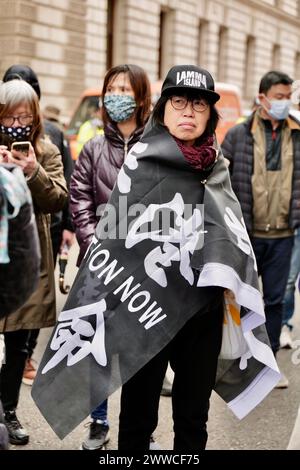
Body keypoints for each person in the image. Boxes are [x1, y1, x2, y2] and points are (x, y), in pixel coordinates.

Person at [70, 64, 153, 450]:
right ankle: (99, 421)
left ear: (141, 97)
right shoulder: (92, 148)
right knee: (98, 345)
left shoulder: (156, 145)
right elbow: (80, 200)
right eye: (112, 88)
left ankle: (141, 428)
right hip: (101, 265)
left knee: (142, 351)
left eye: (125, 88)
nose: (117, 95)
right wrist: (93, 245)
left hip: (145, 268)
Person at [222, 70, 300, 388]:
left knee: (275, 301)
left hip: (283, 233)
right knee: (243, 298)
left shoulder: (297, 135)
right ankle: (242, 363)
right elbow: (220, 179)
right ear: (262, 97)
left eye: (288, 97)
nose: (284, 103)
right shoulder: (238, 135)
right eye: (279, 97)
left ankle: (267, 366)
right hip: (248, 232)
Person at [0, 79, 68, 445]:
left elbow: (58, 199)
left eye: (25, 116)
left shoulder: (46, 150)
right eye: (10, 116)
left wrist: (31, 170)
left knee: (18, 348)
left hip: (27, 262)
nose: (17, 123)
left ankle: (8, 411)